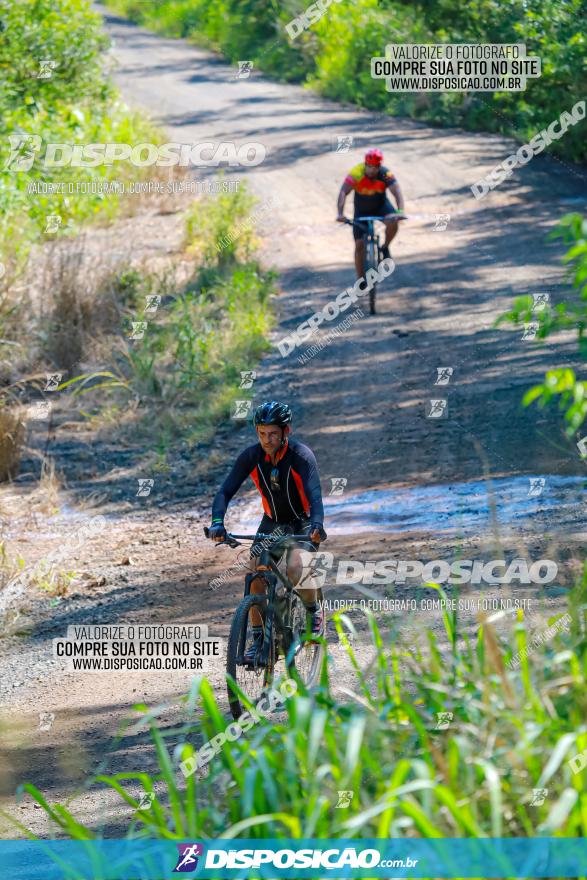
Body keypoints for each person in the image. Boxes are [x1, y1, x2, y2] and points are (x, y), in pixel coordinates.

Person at [207, 401, 327, 663]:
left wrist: (317, 525)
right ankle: (260, 639)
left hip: (302, 523)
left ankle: (312, 611)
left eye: (272, 433)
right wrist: (217, 522)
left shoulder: (301, 455)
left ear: (286, 431)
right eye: (261, 433)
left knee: (297, 567)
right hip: (272, 523)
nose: (267, 439)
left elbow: (315, 497)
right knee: (254, 574)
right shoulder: (251, 457)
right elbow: (225, 491)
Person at [336, 148, 405, 279]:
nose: (373, 170)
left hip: (381, 206)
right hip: (361, 209)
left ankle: (385, 247)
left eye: (376, 167)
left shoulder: (385, 173)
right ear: (365, 164)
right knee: (359, 245)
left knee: (393, 221)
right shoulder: (356, 172)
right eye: (370, 166)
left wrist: (400, 211)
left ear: (380, 165)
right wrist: (340, 213)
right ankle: (360, 279)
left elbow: (396, 191)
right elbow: (343, 191)